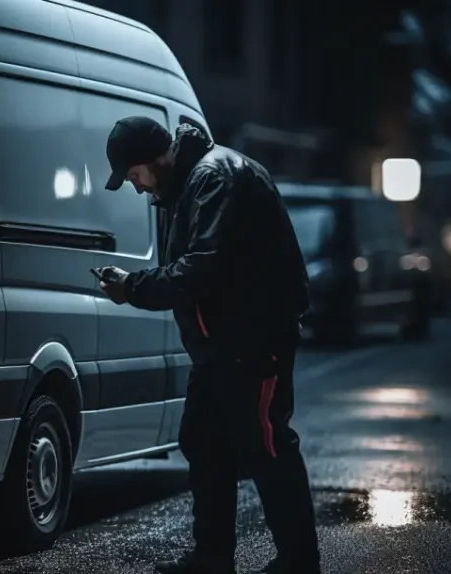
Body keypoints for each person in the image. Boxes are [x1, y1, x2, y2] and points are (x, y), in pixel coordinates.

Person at [96, 116, 321, 574]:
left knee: (267, 446)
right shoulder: (199, 179)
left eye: (135, 176)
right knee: (205, 442)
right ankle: (213, 557)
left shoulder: (211, 178)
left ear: (153, 160)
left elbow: (202, 269)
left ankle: (299, 563)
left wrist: (132, 287)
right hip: (225, 344)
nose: (137, 189)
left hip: (250, 342)